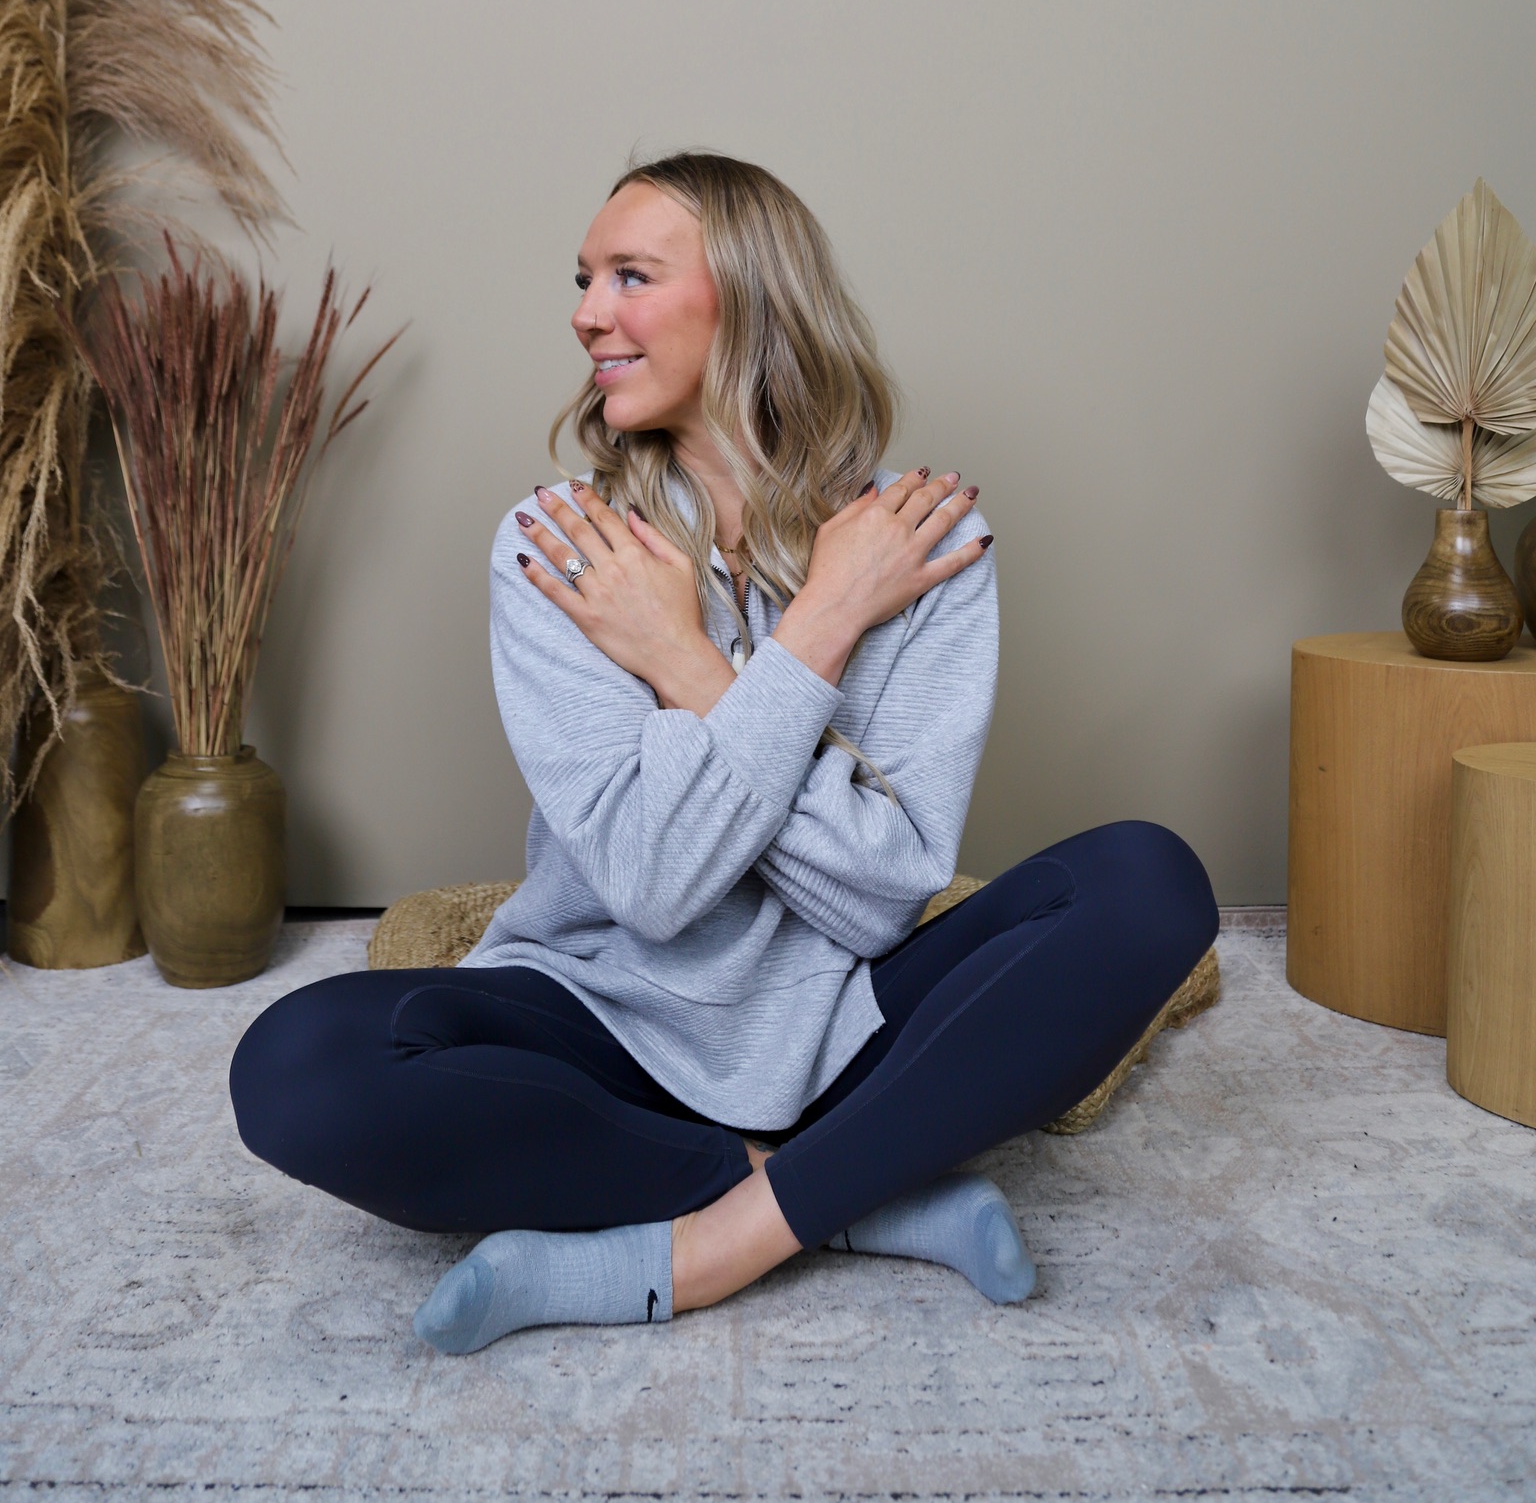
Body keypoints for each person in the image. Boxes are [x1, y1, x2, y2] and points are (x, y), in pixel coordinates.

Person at [230, 152, 1217, 1354]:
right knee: (295, 1068)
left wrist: (707, 656)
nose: (587, 312)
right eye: (585, 279)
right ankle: (855, 1195)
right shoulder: (561, 545)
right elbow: (650, 886)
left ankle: (704, 1246)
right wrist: (806, 646)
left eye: (630, 276)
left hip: (841, 1023)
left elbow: (877, 900)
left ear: (748, 301)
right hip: (594, 1022)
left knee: (1149, 882)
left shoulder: (917, 544)